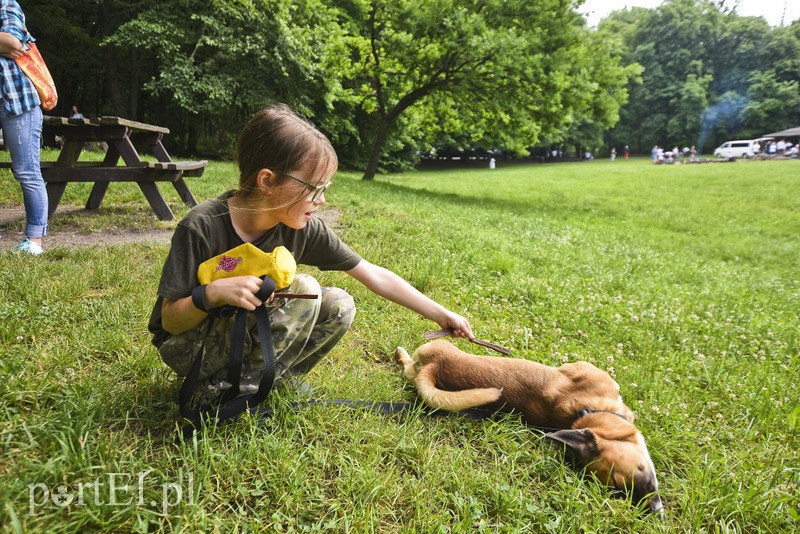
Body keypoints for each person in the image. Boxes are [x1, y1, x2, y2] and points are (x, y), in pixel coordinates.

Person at [148, 104, 475, 406]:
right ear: (267, 181)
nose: (321, 200)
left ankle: (273, 378)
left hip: (243, 332)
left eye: (325, 188)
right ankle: (221, 394)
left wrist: (441, 314)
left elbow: (372, 273)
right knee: (307, 288)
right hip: (190, 347)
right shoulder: (201, 226)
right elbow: (170, 322)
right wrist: (211, 293)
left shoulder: (300, 227)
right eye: (314, 188)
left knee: (339, 305)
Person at [0, 0, 47, 254]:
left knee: (27, 171)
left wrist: (7, 44)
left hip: (19, 100)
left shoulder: (6, 3)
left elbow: (12, 43)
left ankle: (34, 241)